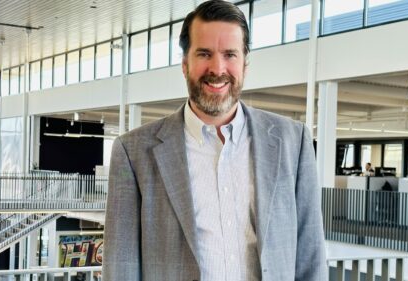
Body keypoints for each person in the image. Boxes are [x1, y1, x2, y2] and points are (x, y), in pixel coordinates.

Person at [102, 1, 327, 280]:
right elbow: (120, 265)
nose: (218, 68)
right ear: (185, 65)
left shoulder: (294, 141)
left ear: (245, 64)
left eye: (230, 54)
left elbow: (311, 258)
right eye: (204, 54)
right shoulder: (133, 152)